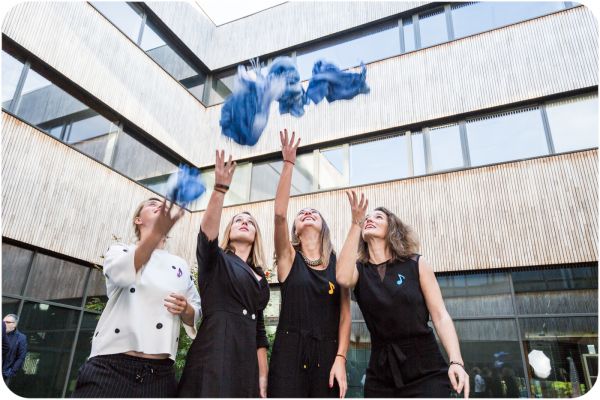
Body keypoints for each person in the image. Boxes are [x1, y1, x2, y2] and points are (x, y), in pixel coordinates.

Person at [336, 193, 470, 398]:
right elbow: (343, 278)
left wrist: (456, 360)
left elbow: (440, 316)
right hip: (381, 372)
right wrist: (355, 223)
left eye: (378, 217)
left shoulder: (416, 264)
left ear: (392, 228)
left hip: (425, 368)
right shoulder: (359, 271)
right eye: (367, 218)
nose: (370, 219)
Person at [71, 197, 201, 397]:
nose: (160, 207)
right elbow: (121, 274)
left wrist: (185, 309)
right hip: (110, 367)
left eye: (162, 206)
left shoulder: (181, 265)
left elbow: (195, 310)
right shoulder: (120, 251)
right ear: (138, 220)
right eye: (152, 204)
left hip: (160, 375)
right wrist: (156, 233)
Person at [177, 150, 270, 397]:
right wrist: (219, 190)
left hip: (246, 360)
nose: (244, 223)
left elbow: (259, 331)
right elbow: (207, 235)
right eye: (238, 220)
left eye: (250, 222)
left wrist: (262, 375)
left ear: (256, 235)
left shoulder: (260, 275)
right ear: (229, 230)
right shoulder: (216, 260)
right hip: (215, 351)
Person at [267, 130, 351, 398]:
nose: (307, 213)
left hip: (328, 353)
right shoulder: (289, 258)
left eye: (313, 213)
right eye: (302, 214)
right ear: (295, 229)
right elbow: (280, 215)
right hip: (289, 350)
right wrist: (289, 163)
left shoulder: (338, 263)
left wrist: (341, 358)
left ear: (323, 227)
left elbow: (346, 315)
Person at [2, 314, 27, 385]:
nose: (4, 324)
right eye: (3, 322)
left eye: (7, 322)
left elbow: (21, 357)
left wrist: (11, 372)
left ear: (14, 325)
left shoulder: (21, 338)